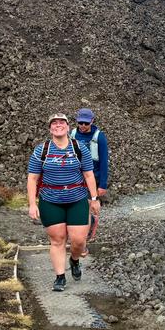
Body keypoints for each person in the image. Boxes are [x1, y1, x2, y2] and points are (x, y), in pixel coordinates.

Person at [27, 113, 102, 291]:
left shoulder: (79, 148)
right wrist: (32, 204)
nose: (58, 125)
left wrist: (94, 199)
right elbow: (32, 178)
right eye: (54, 123)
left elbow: (89, 175)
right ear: (50, 128)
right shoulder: (41, 150)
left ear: (68, 127)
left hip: (77, 199)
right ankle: (60, 277)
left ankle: (74, 260)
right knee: (57, 239)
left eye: (62, 122)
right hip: (51, 200)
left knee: (78, 241)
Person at [71, 107, 110, 257]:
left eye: (86, 123)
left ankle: (87, 236)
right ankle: (79, 236)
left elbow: (104, 162)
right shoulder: (72, 134)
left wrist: (102, 185)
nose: (83, 126)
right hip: (76, 177)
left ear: (92, 121)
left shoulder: (99, 137)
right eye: (80, 123)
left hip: (94, 178)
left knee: (89, 206)